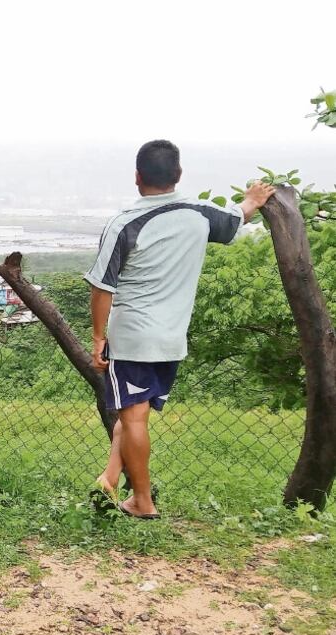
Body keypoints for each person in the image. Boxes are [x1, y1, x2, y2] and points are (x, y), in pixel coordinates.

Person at [85, 140, 275, 519]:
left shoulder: (125, 223)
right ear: (179, 175)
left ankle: (142, 501)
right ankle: (108, 479)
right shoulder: (201, 214)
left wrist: (97, 338)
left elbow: (101, 286)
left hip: (134, 337)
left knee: (133, 417)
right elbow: (237, 219)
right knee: (132, 413)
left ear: (137, 177)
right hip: (172, 339)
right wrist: (253, 199)